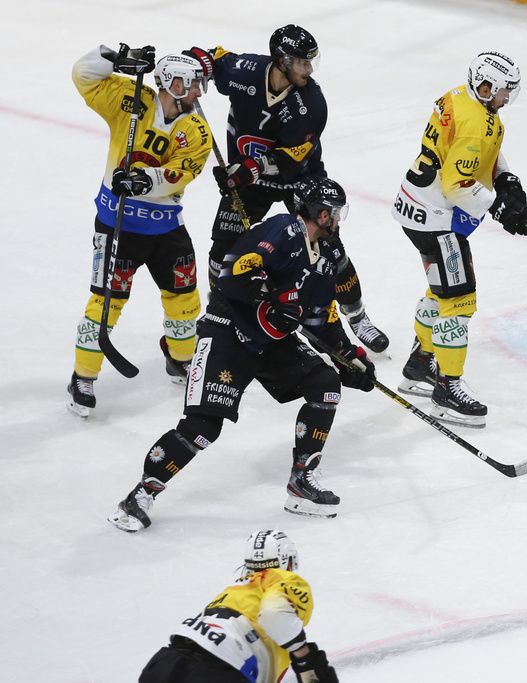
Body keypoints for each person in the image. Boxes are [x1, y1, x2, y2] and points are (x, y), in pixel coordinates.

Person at [108, 176, 376, 533]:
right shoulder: (281, 230)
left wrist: (349, 358)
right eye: (335, 213)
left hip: (271, 343)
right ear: (320, 214)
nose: (339, 220)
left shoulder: (326, 256)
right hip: (227, 334)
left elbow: (320, 320)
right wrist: (265, 301)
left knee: (325, 381)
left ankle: (301, 481)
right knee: (202, 428)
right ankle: (139, 496)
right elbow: (231, 272)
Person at [185, 25, 389, 355]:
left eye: (311, 62)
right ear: (281, 61)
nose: (308, 70)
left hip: (299, 178)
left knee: (328, 245)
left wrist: (247, 169)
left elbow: (292, 158)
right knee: (222, 251)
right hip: (248, 180)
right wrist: (198, 63)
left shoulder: (311, 103)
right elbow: (215, 61)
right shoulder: (247, 72)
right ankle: (224, 319)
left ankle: (356, 316)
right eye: (301, 63)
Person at [391, 51, 527, 429]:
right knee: (459, 298)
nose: (507, 99)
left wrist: (504, 177)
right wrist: (499, 208)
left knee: (442, 290)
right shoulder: (476, 118)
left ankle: (420, 363)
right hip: (436, 218)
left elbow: (478, 144)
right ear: (485, 86)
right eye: (505, 91)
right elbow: (458, 184)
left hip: (419, 206)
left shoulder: (461, 97)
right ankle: (447, 386)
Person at [67, 44, 214, 418]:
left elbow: (183, 171)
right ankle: (83, 377)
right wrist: (114, 58)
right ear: (170, 82)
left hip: (166, 229)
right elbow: (83, 76)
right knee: (106, 301)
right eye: (193, 83)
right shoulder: (131, 99)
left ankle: (180, 358)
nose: (199, 91)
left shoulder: (196, 129)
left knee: (183, 298)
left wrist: (142, 180)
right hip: (118, 224)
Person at [138, 529, 339, 683]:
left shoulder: (232, 590)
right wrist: (305, 657)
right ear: (287, 560)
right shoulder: (284, 579)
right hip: (218, 669)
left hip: (164, 662)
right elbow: (273, 613)